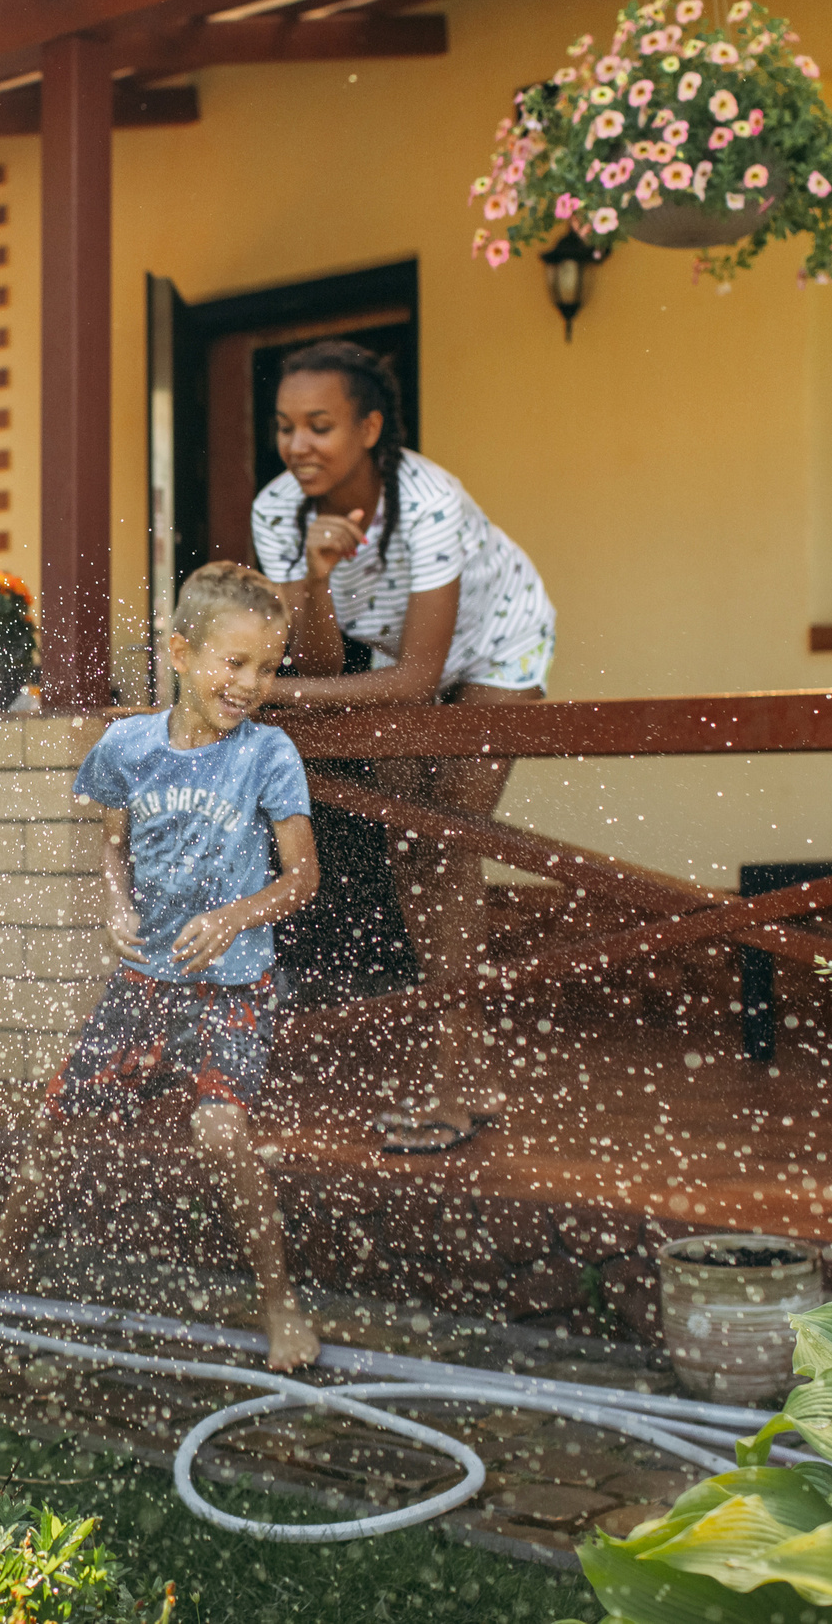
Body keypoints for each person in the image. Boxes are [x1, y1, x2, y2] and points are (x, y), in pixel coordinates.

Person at [0, 564, 324, 1373]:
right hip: (145, 979)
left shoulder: (268, 754)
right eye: (234, 662)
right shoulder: (127, 747)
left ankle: (280, 1302)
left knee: (220, 1132)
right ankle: (4, 1255)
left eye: (266, 666)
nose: (251, 684)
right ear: (181, 653)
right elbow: (112, 845)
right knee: (57, 1115)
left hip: (232, 986)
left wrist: (231, 917)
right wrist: (115, 906)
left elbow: (302, 879)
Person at [249, 338, 554, 1156]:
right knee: (411, 849)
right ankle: (471, 1069)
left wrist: (272, 694)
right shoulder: (278, 510)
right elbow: (320, 662)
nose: (298, 445)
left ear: (370, 427)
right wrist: (314, 578)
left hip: (498, 648)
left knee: (445, 841)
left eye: (320, 426)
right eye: (285, 426)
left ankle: (456, 1084)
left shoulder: (429, 504)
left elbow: (419, 679)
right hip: (391, 657)